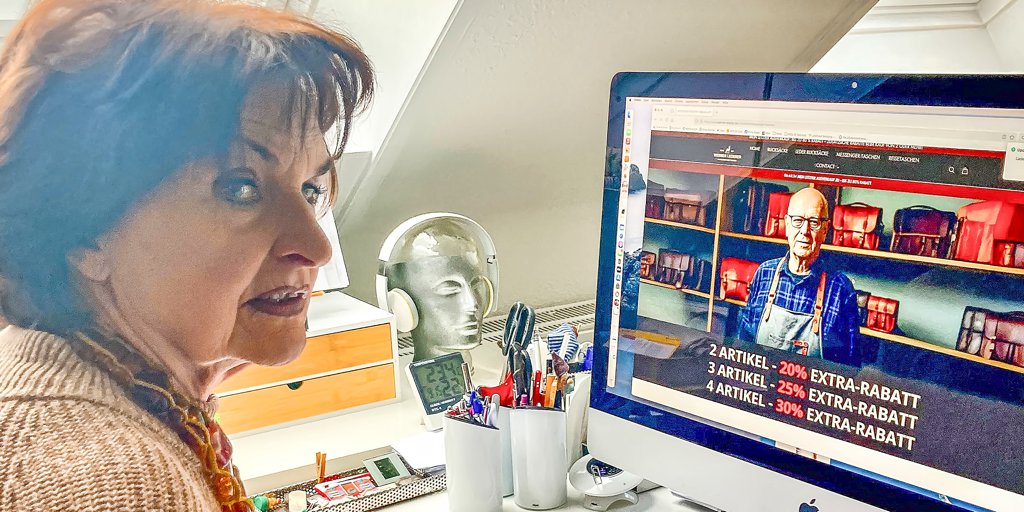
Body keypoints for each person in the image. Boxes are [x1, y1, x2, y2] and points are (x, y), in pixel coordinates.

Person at [0, 1, 373, 511]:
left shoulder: (88, 379)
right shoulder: (122, 483)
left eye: (310, 189)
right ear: (84, 227)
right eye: (240, 188)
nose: (317, 248)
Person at [738, 187, 862, 365]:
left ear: (825, 229)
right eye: (797, 221)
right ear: (787, 225)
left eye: (814, 222)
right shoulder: (765, 273)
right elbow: (744, 342)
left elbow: (850, 366)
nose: (804, 231)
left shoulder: (841, 289)